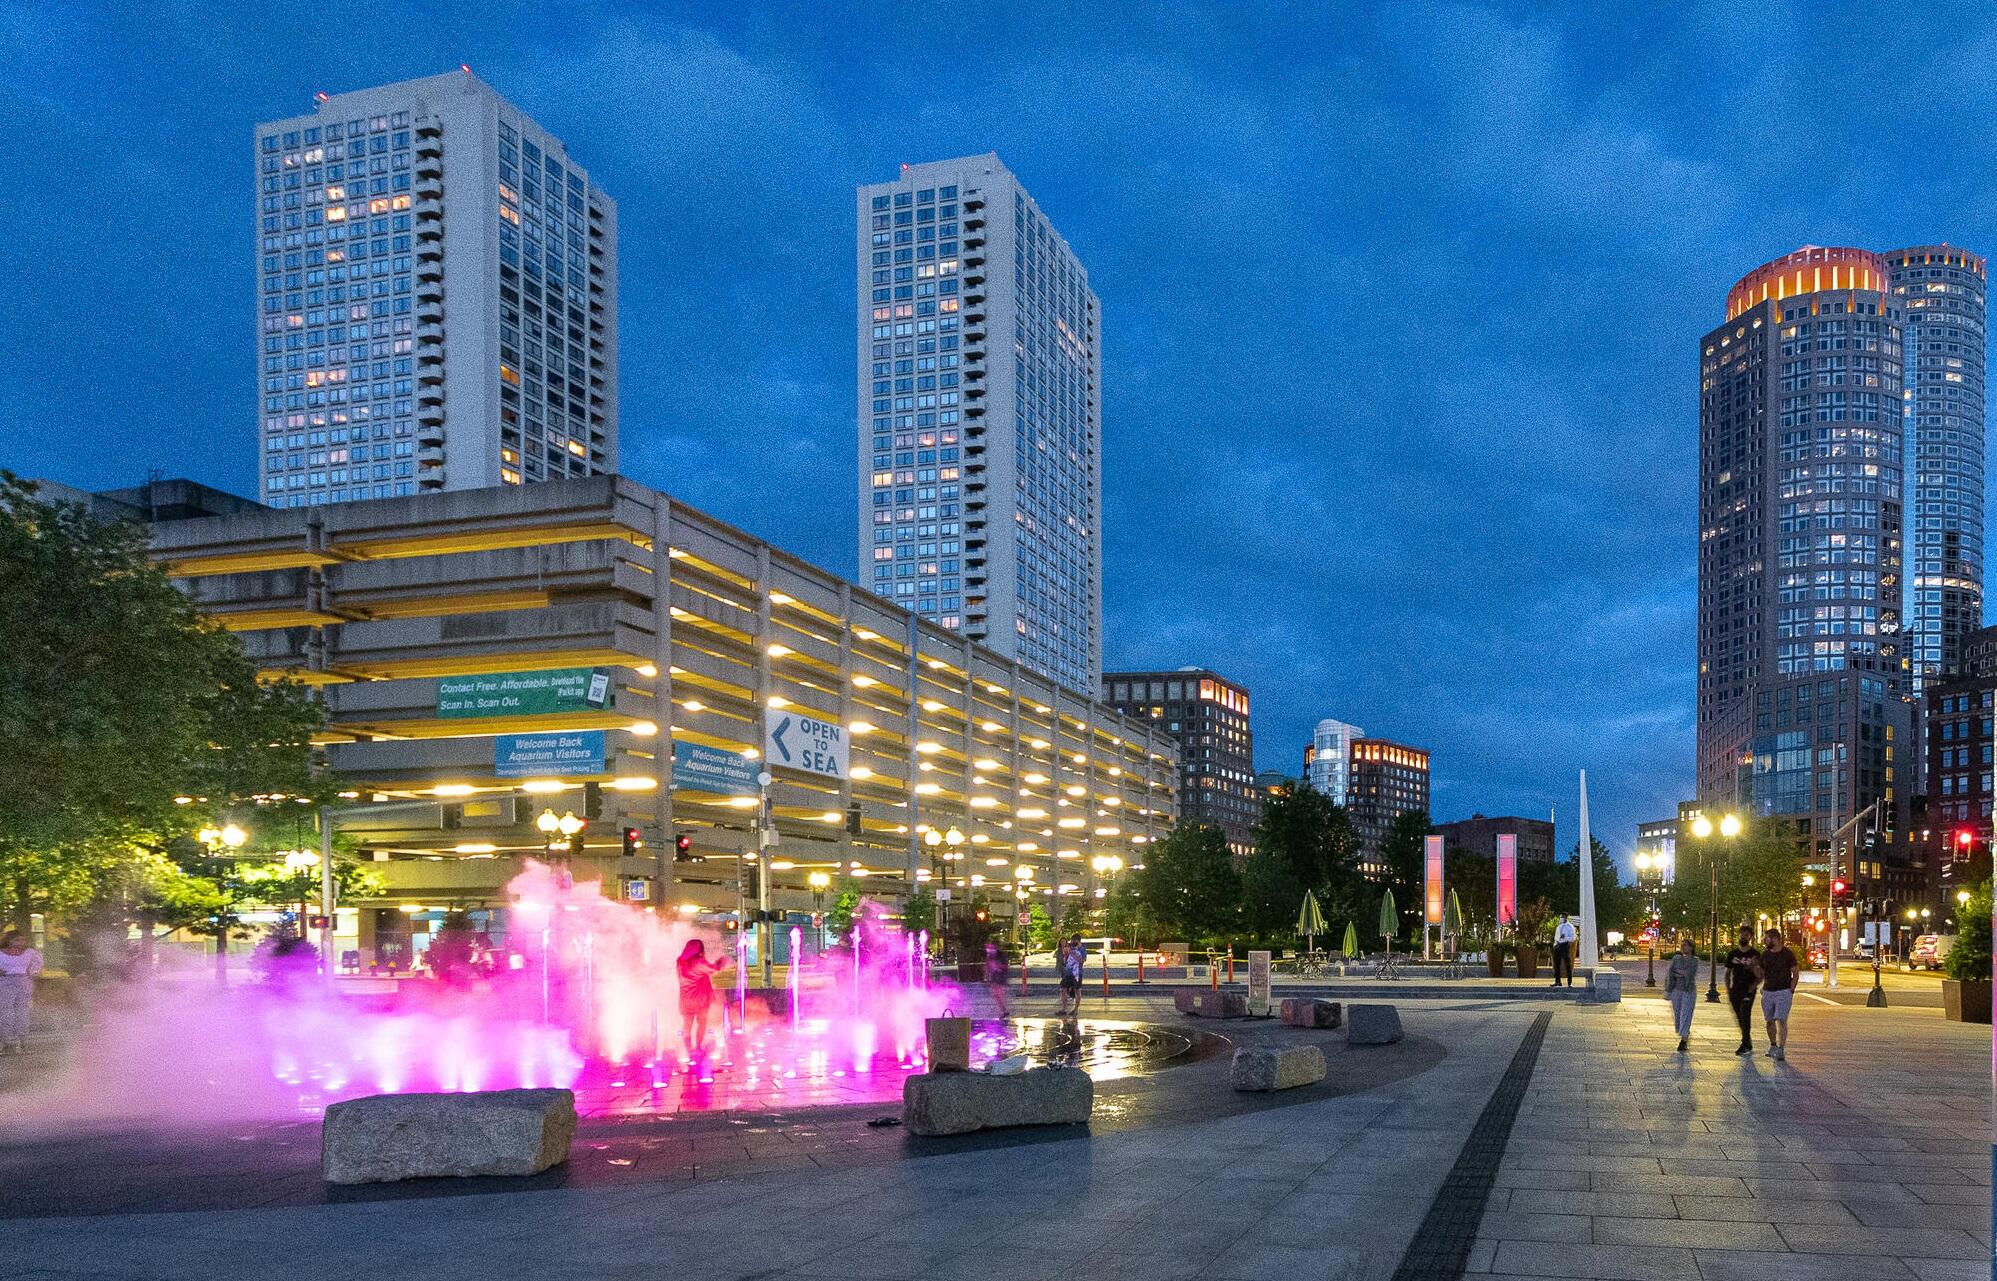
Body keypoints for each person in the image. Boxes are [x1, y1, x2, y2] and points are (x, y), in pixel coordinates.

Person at [675, 937, 732, 1062]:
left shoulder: (680, 962)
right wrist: (722, 960)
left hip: (685, 999)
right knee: (701, 1024)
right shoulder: (698, 961)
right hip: (700, 999)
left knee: (686, 1025)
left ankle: (689, 1050)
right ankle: (698, 1048)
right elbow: (714, 969)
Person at [1754, 929, 1798, 1061]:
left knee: (1782, 1020)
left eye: (1767, 938)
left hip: (1783, 991)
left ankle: (1781, 1048)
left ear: (1776, 939)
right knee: (1769, 1020)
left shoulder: (1787, 954)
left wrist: (1791, 989)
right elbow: (1760, 973)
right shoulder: (1765, 955)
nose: (1765, 941)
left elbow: (1795, 972)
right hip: (1768, 991)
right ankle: (1773, 1045)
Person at [0, 930, 43, 1054]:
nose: (20, 943)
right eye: (17, 940)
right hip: (5, 982)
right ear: (9, 940)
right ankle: (7, 1043)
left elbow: (38, 961)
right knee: (6, 1013)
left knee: (22, 1012)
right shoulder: (1, 953)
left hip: (23, 982)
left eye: (22, 940)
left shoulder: (29, 953)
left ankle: (23, 1042)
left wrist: (33, 972)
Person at [1722, 926, 1760, 1056]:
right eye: (1742, 934)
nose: (1744, 937)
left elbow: (1760, 974)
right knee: (1739, 1015)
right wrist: (1728, 988)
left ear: (1750, 937)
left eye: (1746, 935)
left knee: (1745, 1014)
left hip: (1748, 989)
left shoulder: (1754, 954)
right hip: (1735, 989)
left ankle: (1745, 1043)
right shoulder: (1733, 954)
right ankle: (1747, 1041)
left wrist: (1754, 985)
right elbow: (1727, 972)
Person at [1663, 937, 1701, 1053]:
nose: (1683, 947)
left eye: (1686, 945)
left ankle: (1684, 1040)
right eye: (1682, 945)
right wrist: (1668, 989)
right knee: (1678, 1015)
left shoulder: (1695, 960)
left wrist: (1680, 973)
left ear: (1691, 947)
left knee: (1686, 1014)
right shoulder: (1676, 958)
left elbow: (1690, 974)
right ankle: (1684, 1033)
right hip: (1676, 990)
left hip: (1688, 991)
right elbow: (1670, 973)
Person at [1058, 933, 1086, 1014]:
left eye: (1074, 941)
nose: (1072, 942)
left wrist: (1073, 953)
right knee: (1063, 989)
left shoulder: (1082, 949)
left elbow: (1082, 961)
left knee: (1077, 990)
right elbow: (1066, 961)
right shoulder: (1070, 948)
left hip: (1077, 972)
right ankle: (1064, 1008)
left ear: (1078, 941)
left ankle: (1075, 1009)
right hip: (1068, 972)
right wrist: (1066, 955)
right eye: (1072, 941)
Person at [984, 939, 1011, 1017]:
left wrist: (996, 966)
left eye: (990, 947)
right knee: (996, 994)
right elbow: (987, 965)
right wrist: (987, 975)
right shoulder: (989, 955)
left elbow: (1005, 966)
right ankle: (1004, 1010)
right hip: (995, 976)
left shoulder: (1001, 955)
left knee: (998, 993)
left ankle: (1004, 1010)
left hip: (1001, 975)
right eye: (987, 947)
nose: (988, 949)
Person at [1551, 914, 1577, 987]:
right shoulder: (1559, 926)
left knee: (1567, 964)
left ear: (1566, 918)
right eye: (1560, 917)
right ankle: (1557, 982)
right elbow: (1556, 937)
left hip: (1565, 945)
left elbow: (1572, 938)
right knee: (1556, 964)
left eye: (1562, 917)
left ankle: (1569, 983)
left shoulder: (1570, 927)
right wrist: (1555, 944)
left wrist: (1565, 937)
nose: (1561, 919)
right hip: (1557, 945)